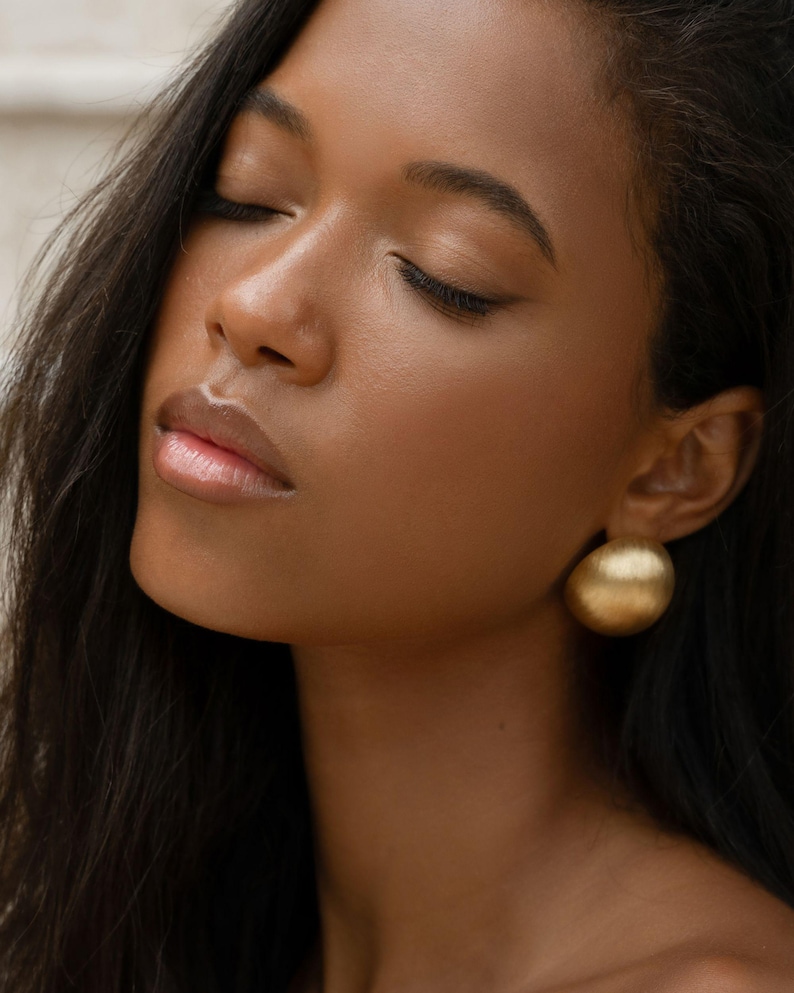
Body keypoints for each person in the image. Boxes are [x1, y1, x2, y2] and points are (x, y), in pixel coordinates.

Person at [1, 0, 793, 989]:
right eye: (247, 194)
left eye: (441, 274)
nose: (252, 307)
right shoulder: (156, 924)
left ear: (673, 469)